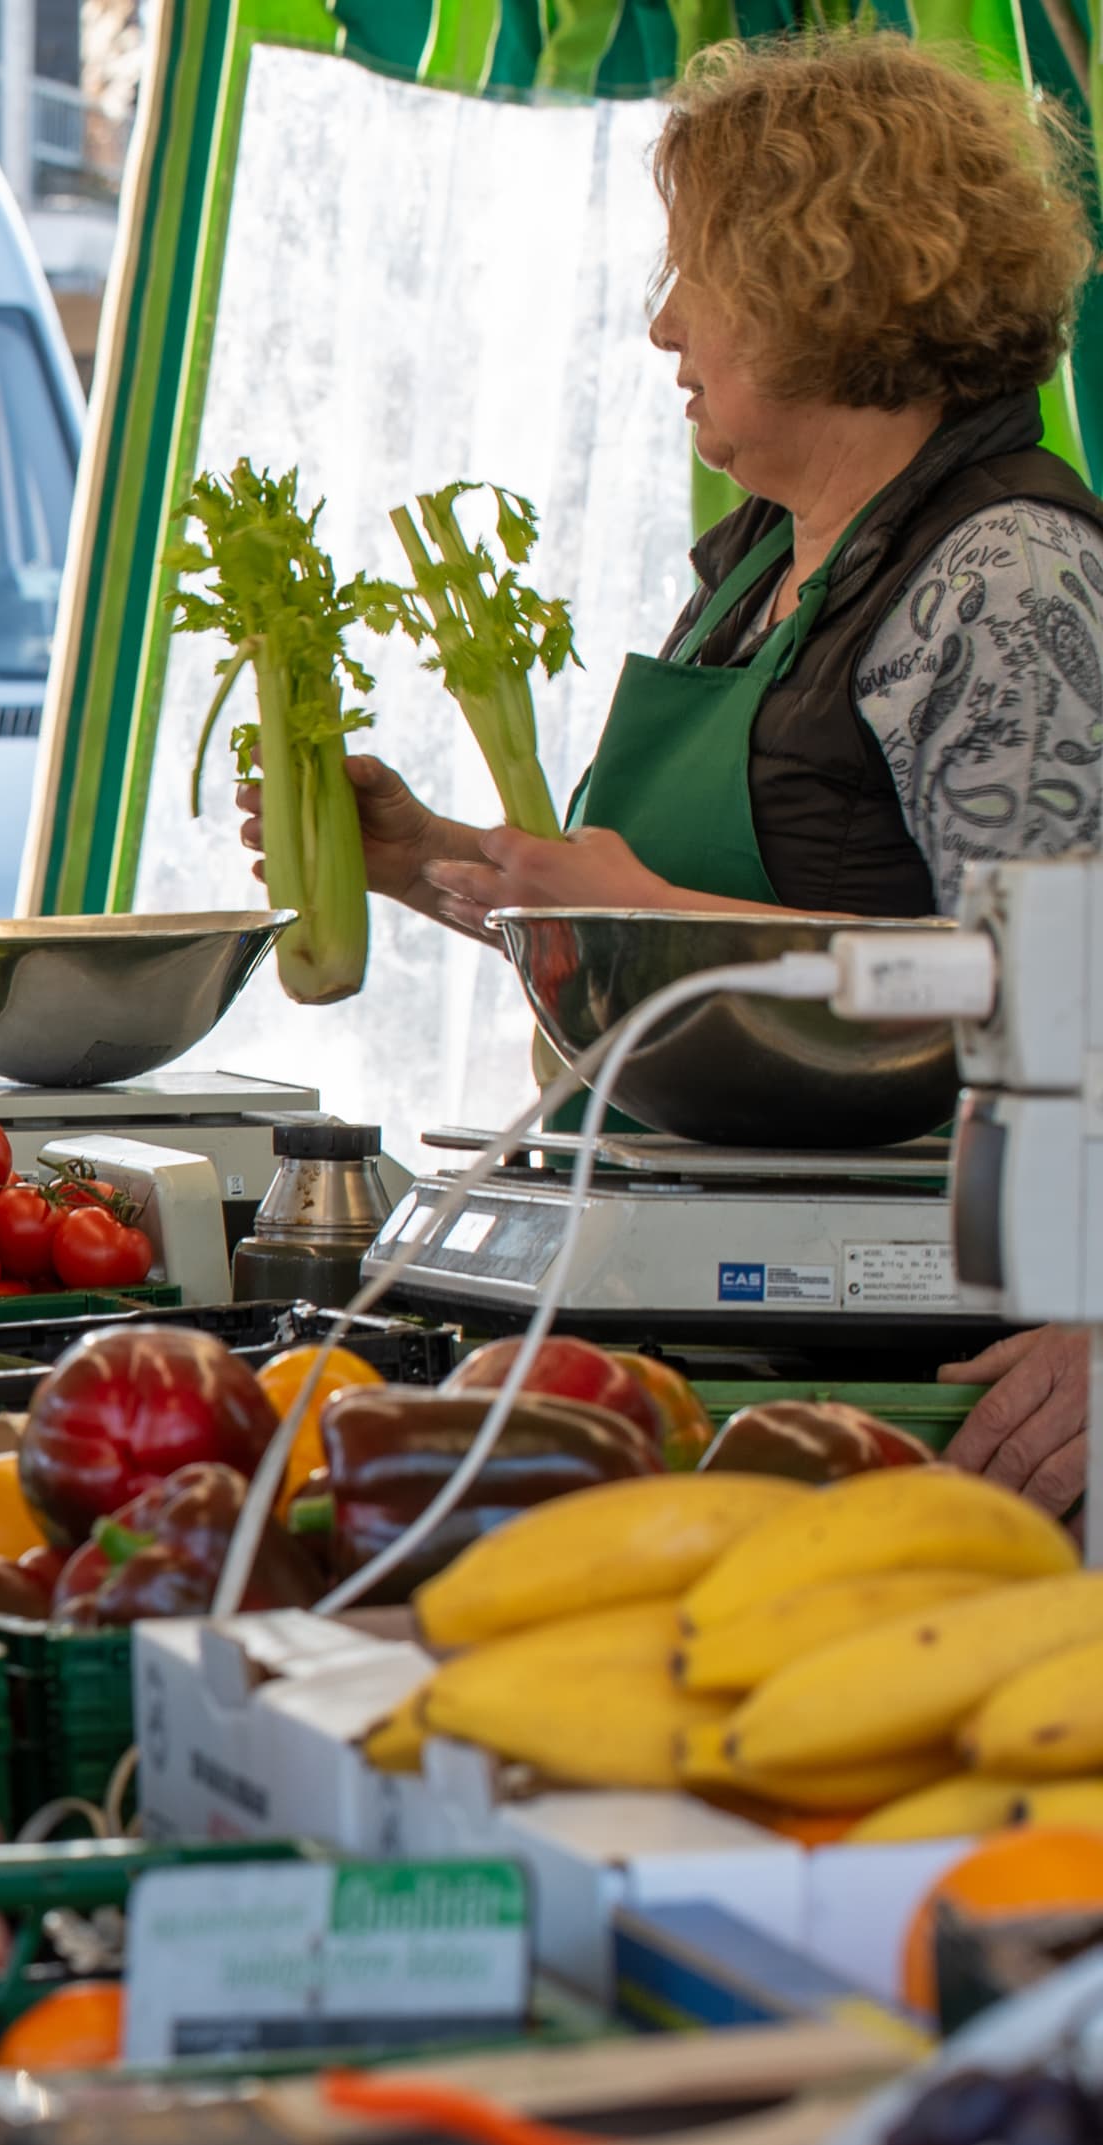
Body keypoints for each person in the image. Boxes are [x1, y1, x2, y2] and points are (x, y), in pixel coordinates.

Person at [246, 34, 1095, 1519]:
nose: (661, 328)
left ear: (815, 278)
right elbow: (673, 948)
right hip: (701, 1317)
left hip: (916, 1370)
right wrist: (428, 857)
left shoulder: (1003, 580)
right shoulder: (763, 565)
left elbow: (1061, 987)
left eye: (690, 270)